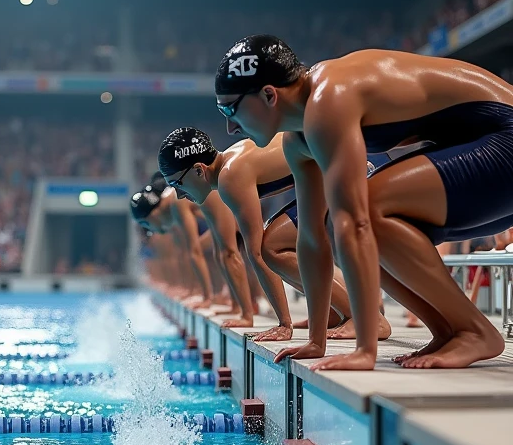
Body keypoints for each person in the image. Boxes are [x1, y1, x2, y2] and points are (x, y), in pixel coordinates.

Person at [214, 33, 513, 369]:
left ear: (269, 95)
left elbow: (355, 222)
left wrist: (364, 350)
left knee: (364, 210)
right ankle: (448, 330)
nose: (228, 127)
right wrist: (317, 341)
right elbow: (311, 239)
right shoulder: (297, 142)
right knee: (334, 225)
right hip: (490, 164)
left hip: (505, 138)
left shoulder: (328, 97)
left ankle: (474, 331)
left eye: (230, 108)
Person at [157, 127, 392, 343]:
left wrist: (283, 324)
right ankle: (338, 311)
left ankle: (366, 319)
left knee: (272, 247)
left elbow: (256, 252)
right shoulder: (230, 162)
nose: (178, 195)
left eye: (178, 184)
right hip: (352, 164)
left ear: (199, 170)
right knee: (279, 245)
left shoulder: (230, 176)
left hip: (357, 170)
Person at [130, 173, 253, 323]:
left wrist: (205, 297)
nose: (151, 231)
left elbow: (191, 251)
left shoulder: (175, 203)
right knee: (225, 254)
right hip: (229, 209)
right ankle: (238, 304)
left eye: (147, 225)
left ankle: (247, 310)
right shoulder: (173, 200)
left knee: (237, 254)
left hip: (234, 207)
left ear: (153, 213)